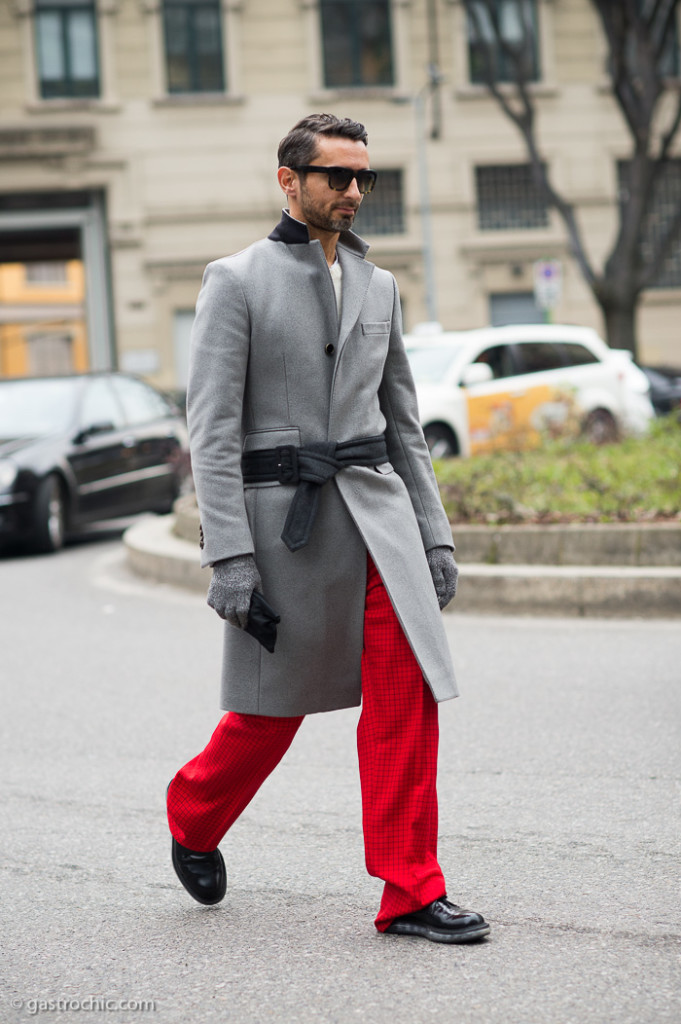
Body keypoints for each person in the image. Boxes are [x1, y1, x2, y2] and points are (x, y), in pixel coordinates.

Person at [166, 113, 490, 945]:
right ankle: (194, 813)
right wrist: (229, 555)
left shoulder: (379, 285)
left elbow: (403, 423)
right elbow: (210, 426)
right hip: (286, 534)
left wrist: (434, 533)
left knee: (405, 702)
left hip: (379, 521)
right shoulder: (232, 280)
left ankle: (410, 891)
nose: (352, 192)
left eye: (362, 179)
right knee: (269, 714)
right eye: (336, 176)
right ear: (289, 180)